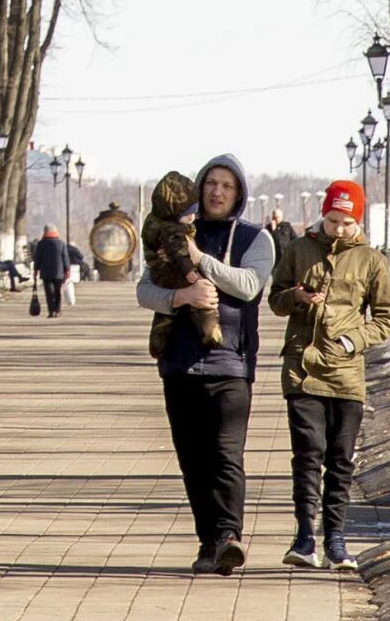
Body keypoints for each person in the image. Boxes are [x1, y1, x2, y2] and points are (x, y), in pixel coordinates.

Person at [139, 154, 273, 575]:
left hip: (230, 362)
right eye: (211, 183)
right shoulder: (172, 232)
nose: (217, 191)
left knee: (225, 454)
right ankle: (208, 542)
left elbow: (249, 287)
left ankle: (230, 535)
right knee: (192, 458)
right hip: (179, 363)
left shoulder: (255, 238)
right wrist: (182, 298)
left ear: (239, 194)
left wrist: (199, 260)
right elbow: (145, 290)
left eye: (227, 186)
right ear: (199, 188)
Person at [269, 180, 390, 572]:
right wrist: (297, 297)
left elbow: (387, 317)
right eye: (331, 220)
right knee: (308, 454)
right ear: (322, 216)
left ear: (356, 220)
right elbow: (275, 299)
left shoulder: (372, 260)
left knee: (340, 460)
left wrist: (351, 341)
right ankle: (305, 536)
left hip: (346, 374)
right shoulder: (298, 249)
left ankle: (336, 540)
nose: (338, 228)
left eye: (345, 221)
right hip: (302, 370)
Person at [31, 227, 76, 318]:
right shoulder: (61, 243)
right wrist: (67, 270)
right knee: (58, 292)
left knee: (49, 293)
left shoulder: (41, 244)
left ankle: (51, 311)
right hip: (59, 273)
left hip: (46, 273)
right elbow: (65, 258)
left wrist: (35, 271)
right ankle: (58, 310)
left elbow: (37, 259)